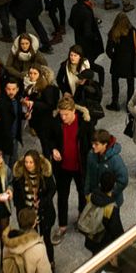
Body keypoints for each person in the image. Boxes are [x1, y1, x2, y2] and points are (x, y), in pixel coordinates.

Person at [41, 97, 93, 244]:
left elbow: (91, 142)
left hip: (80, 167)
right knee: (62, 196)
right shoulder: (55, 121)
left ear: (73, 111)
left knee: (82, 193)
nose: (63, 117)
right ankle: (62, 226)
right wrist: (53, 149)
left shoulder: (84, 123)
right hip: (62, 167)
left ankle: (81, 218)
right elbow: (47, 138)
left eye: (66, 114)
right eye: (61, 114)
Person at [12, 150, 58, 268]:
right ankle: (35, 264)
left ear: (36, 163)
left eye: (31, 162)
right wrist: (22, 213)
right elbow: (17, 198)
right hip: (28, 215)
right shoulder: (19, 177)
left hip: (44, 213)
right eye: (26, 162)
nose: (28, 165)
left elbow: (52, 189)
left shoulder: (45, 174)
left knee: (46, 239)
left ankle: (50, 263)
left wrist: (42, 202)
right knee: (31, 240)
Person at [84, 129, 129, 222]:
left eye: (96, 144)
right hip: (96, 196)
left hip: (111, 201)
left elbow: (123, 180)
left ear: (105, 144)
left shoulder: (115, 160)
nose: (93, 146)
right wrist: (87, 191)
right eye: (92, 143)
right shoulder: (91, 155)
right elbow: (88, 174)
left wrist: (111, 193)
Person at [104, 13, 136, 111]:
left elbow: (108, 50)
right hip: (130, 62)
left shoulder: (113, 32)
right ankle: (128, 104)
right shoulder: (133, 31)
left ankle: (115, 102)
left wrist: (114, 57)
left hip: (117, 62)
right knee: (130, 82)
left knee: (114, 80)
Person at [0, 76, 26, 165]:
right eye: (9, 89)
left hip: (14, 137)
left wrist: (25, 115)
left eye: (13, 89)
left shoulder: (18, 99)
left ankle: (13, 173)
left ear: (17, 89)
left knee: (14, 159)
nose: (11, 92)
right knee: (5, 161)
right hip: (4, 138)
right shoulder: (1, 100)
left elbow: (18, 115)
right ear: (5, 89)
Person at [68, 0, 104, 65]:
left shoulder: (75, 6)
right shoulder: (87, 12)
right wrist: (95, 36)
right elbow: (87, 33)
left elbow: (70, 22)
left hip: (78, 37)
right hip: (87, 42)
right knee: (89, 58)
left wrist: (78, 28)